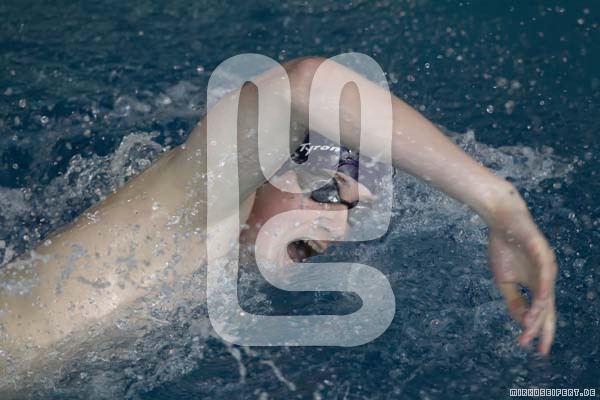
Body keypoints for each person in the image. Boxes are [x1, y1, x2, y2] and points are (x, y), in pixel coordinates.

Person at [0, 57, 557, 378]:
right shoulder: (194, 209)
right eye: (329, 193)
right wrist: (499, 204)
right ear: (263, 169)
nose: (337, 227)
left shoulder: (216, 276)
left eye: (352, 210)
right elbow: (304, 83)